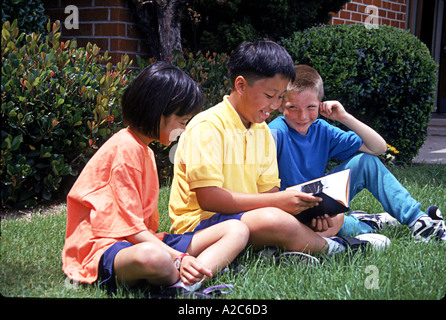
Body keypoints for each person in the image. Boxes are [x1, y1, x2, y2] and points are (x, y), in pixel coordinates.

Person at [168, 40, 390, 261]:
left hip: (247, 217)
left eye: (281, 97)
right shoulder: (208, 127)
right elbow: (210, 199)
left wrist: (305, 209)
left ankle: (286, 246)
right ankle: (338, 248)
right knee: (274, 220)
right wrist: (278, 203)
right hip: (200, 226)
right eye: (269, 96)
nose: (275, 105)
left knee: (334, 217)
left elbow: (269, 193)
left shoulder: (262, 131)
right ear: (241, 85)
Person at [61, 62, 250, 297]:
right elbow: (129, 230)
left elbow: (140, 232)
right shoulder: (124, 149)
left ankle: (189, 280)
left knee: (237, 228)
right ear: (158, 113)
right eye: (182, 122)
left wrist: (177, 258)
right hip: (107, 247)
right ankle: (187, 276)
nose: (183, 130)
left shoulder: (145, 150)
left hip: (144, 240)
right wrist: (178, 257)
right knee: (155, 257)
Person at [268, 64, 445, 242]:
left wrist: (343, 117)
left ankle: (419, 220)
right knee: (335, 224)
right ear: (281, 105)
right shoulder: (276, 132)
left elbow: (378, 148)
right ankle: (369, 222)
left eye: (310, 107)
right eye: (292, 108)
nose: (302, 116)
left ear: (321, 104)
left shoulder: (322, 129)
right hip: (287, 210)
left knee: (366, 162)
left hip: (317, 201)